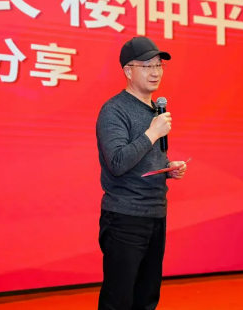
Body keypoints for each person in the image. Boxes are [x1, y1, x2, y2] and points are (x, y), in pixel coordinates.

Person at [96, 36, 188, 310]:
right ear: (128, 71)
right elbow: (117, 162)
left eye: (159, 65)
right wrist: (152, 133)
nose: (155, 72)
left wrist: (169, 168)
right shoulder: (114, 110)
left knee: (146, 297)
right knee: (119, 300)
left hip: (155, 214)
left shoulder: (154, 110)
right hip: (125, 218)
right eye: (147, 66)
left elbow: (145, 158)